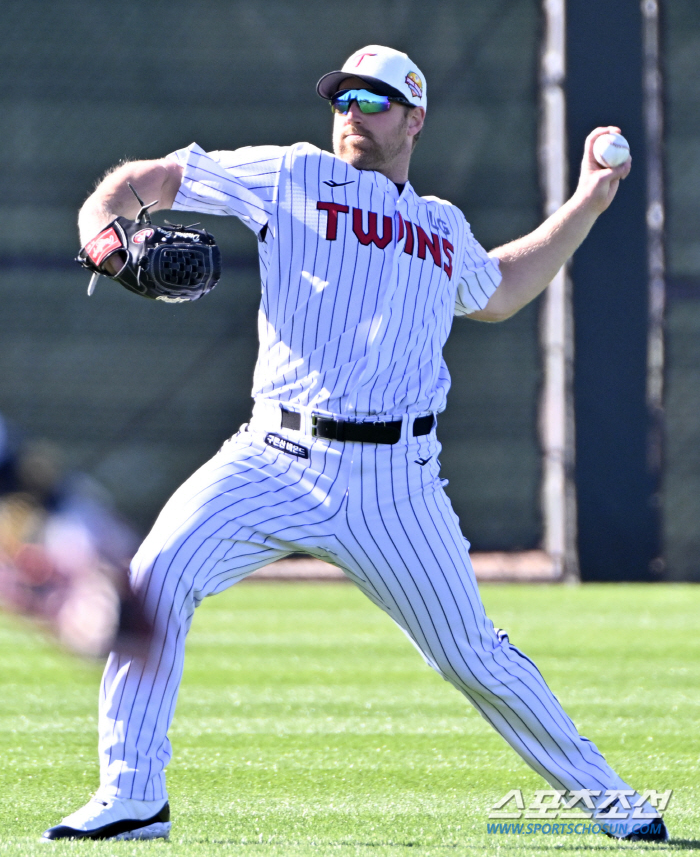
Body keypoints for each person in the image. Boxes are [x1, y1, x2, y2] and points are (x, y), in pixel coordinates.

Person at [42, 45, 667, 843]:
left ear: (415, 119)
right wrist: (105, 236)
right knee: (153, 578)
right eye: (343, 98)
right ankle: (133, 796)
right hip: (273, 454)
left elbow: (502, 289)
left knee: (472, 655)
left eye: (374, 101)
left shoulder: (441, 226)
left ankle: (613, 800)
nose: (352, 113)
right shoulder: (293, 174)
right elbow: (150, 179)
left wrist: (587, 200)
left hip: (397, 484)